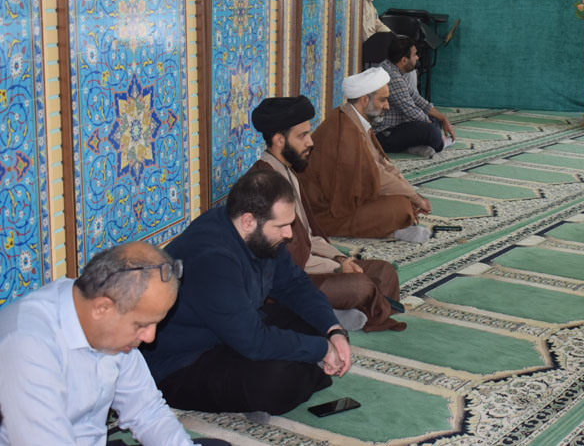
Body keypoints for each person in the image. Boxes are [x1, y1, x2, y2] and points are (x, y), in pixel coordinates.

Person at [141, 170, 352, 416]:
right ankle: (273, 385)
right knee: (273, 383)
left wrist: (333, 330)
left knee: (315, 325)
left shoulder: (259, 237)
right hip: (184, 361)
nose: (289, 234)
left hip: (233, 330)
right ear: (248, 221)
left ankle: (298, 368)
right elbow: (254, 341)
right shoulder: (212, 258)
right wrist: (322, 349)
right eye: (282, 226)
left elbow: (295, 285)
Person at [0, 242, 228, 445]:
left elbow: (147, 411)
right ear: (103, 308)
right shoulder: (27, 346)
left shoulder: (112, 329)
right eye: (141, 325)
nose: (150, 337)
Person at [248, 96, 406, 332]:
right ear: (279, 140)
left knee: (385, 272)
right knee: (360, 286)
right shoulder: (264, 185)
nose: (310, 142)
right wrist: (336, 269)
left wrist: (341, 259)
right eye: (302, 136)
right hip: (288, 282)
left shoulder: (288, 173)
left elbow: (309, 237)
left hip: (312, 266)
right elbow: (287, 261)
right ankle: (327, 311)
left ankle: (335, 311)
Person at [298, 67, 432, 243]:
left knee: (402, 199)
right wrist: (414, 197)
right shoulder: (345, 130)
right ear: (364, 100)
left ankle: (394, 226)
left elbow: (382, 164)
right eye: (383, 100)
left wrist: (410, 193)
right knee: (400, 208)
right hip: (323, 211)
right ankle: (392, 230)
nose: (387, 106)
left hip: (345, 199)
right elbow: (376, 176)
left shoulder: (354, 120)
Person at [373, 36, 456, 157]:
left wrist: (443, 118)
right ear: (404, 60)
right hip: (384, 134)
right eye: (414, 55)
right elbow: (410, 109)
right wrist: (434, 129)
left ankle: (416, 146)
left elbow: (415, 98)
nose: (417, 57)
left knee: (435, 118)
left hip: (398, 125)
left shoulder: (391, 67)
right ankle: (435, 143)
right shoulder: (393, 77)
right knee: (433, 133)